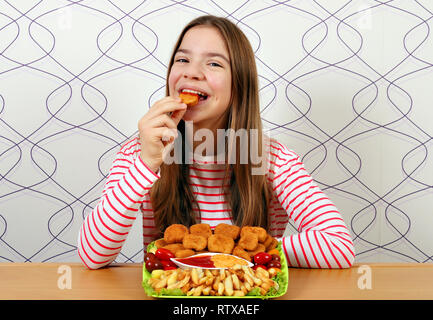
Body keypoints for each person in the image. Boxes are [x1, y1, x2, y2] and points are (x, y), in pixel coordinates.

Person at [77, 15, 355, 269]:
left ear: (239, 85)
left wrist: (242, 252)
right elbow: (92, 255)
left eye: (213, 63)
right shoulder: (140, 153)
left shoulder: (273, 160)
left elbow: (338, 245)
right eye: (183, 60)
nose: (192, 72)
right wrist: (147, 163)